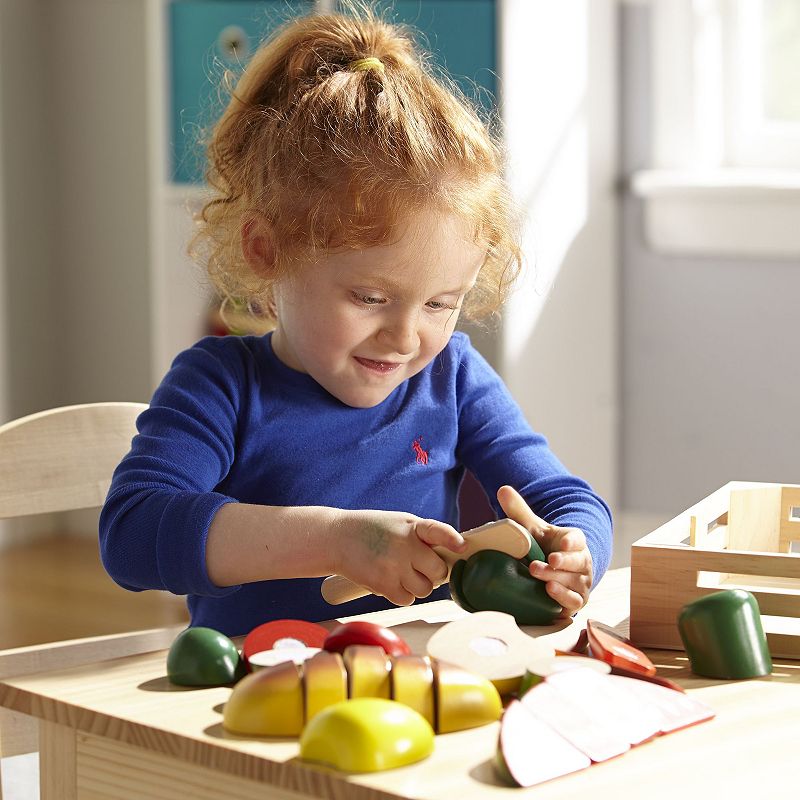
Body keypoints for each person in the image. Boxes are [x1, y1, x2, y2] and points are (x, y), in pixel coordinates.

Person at [99, 5, 612, 638]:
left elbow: (568, 500)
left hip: (417, 694)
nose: (404, 337)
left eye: (439, 303)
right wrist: (337, 539)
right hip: (252, 705)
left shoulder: (452, 376)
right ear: (269, 251)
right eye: (370, 297)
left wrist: (576, 551)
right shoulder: (220, 384)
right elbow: (133, 532)